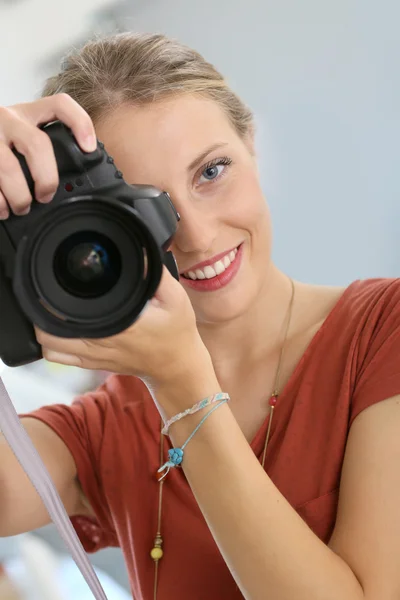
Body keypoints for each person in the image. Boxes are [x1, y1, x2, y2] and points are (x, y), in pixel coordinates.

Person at [0, 32, 399, 600]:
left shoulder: (384, 333)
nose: (195, 235)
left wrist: (183, 385)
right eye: (141, 208)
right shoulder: (107, 428)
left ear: (251, 145)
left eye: (211, 172)